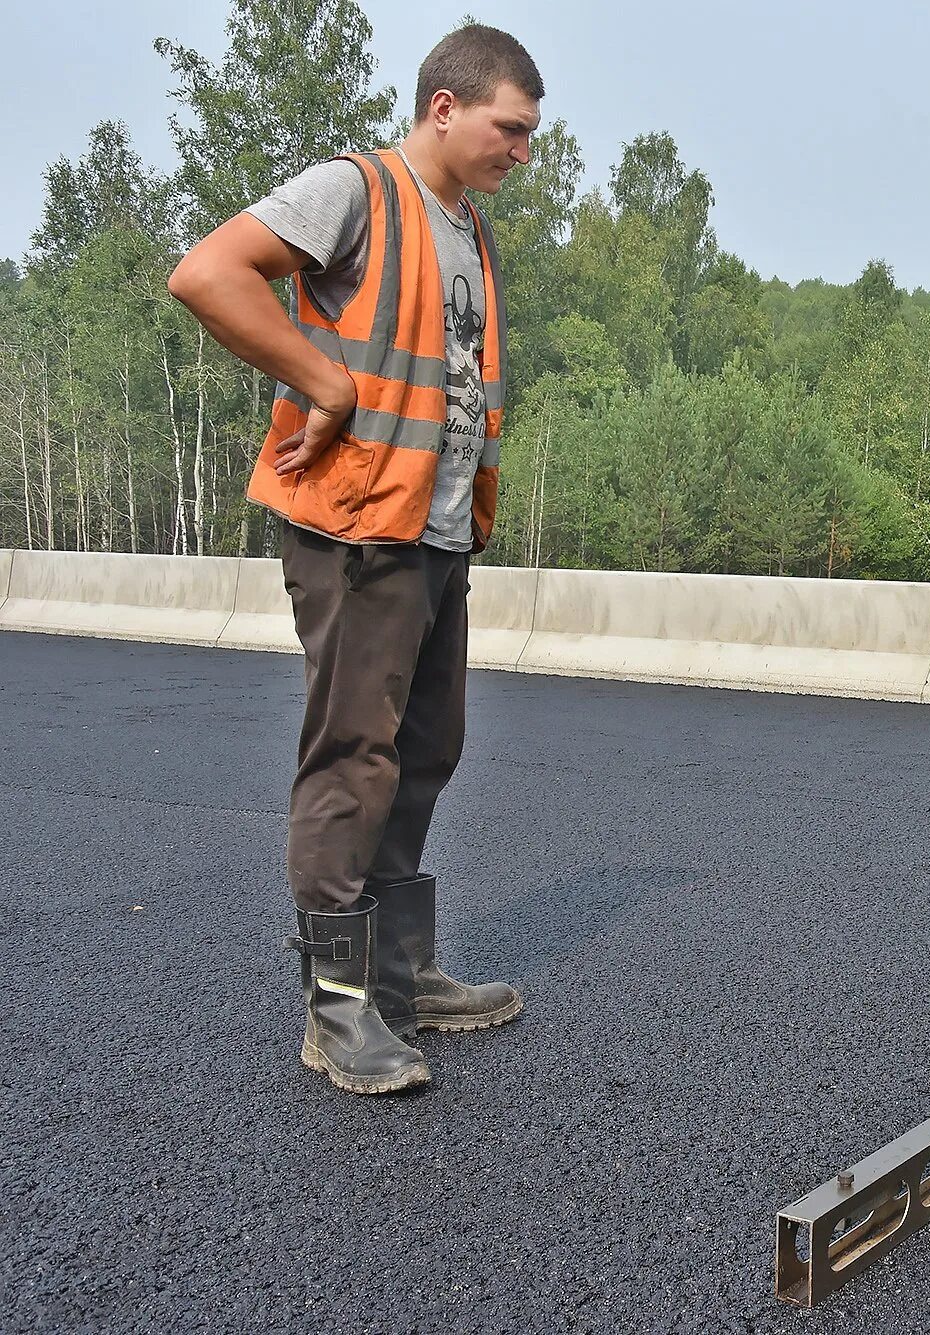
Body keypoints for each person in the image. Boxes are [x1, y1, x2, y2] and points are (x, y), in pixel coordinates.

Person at [168, 24, 544, 1095]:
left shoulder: (468, 228)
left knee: (427, 746)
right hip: (356, 528)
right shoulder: (356, 191)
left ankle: (401, 971)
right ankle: (336, 1012)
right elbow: (207, 273)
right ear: (444, 105)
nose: (521, 151)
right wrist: (321, 383)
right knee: (353, 758)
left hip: (433, 532)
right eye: (508, 128)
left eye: (528, 134)